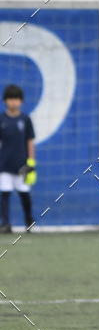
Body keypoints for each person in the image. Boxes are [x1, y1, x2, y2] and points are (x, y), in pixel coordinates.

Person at [0, 85, 36, 234]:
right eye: (10, 99)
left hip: (22, 166)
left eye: (16, 99)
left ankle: (28, 221)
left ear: (21, 101)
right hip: (4, 165)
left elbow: (30, 141)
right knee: (5, 194)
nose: (13, 102)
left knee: (24, 194)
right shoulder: (1, 119)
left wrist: (31, 163)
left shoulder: (25, 119)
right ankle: (6, 224)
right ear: (5, 101)